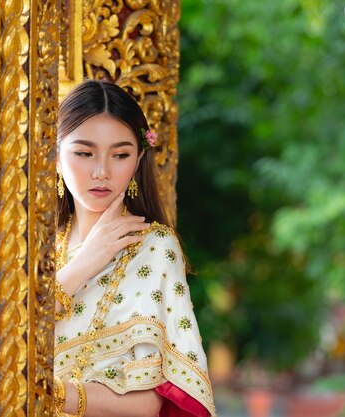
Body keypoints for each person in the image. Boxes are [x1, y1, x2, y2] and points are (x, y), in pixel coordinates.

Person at [53, 80, 216, 417]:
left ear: (139, 158)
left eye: (121, 155)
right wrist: (84, 263)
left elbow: (149, 403)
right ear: (55, 156)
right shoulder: (34, 243)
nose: (101, 171)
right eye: (83, 153)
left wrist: (53, 394)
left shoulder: (154, 247)